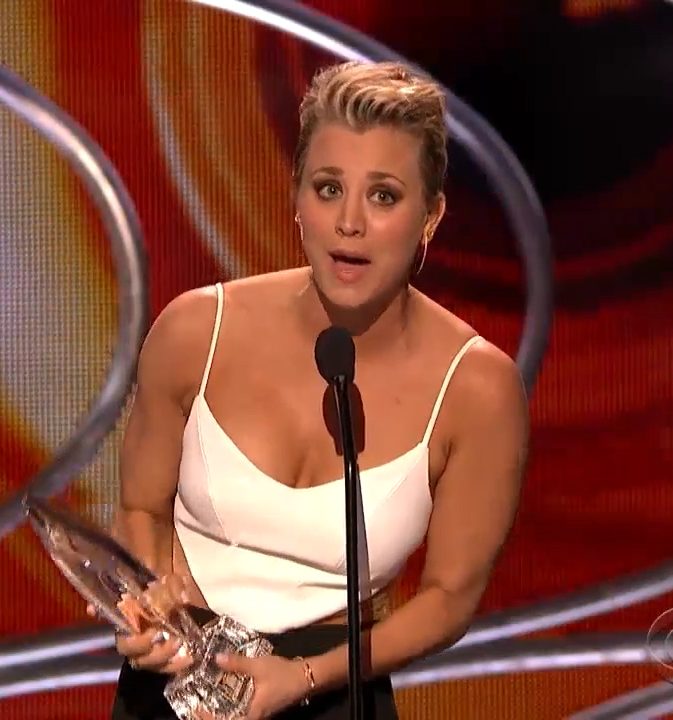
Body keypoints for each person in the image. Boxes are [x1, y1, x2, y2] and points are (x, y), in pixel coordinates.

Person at [103, 60, 529, 720]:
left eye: (383, 196)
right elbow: (140, 510)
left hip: (336, 692)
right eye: (329, 189)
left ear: (430, 216)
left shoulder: (477, 389)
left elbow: (450, 598)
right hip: (177, 684)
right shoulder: (195, 330)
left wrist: (303, 677)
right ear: (298, 199)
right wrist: (149, 605)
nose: (349, 222)